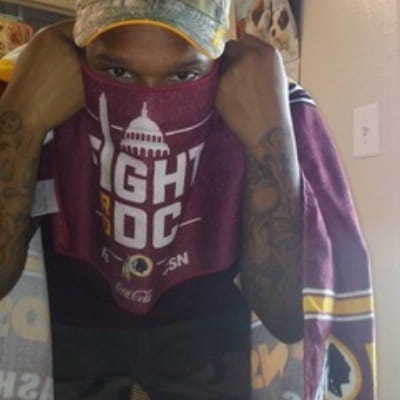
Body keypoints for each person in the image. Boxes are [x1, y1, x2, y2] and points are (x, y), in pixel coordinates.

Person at [0, 1, 306, 398]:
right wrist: (21, 119)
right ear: (79, 55)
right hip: (66, 319)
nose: (148, 97)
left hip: (210, 326)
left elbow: (289, 320)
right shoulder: (37, 92)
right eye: (118, 72)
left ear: (219, 64)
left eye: (184, 74)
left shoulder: (258, 101)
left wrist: (269, 137)